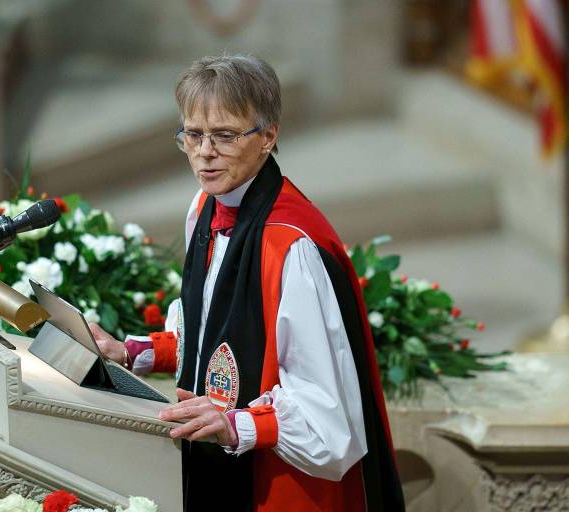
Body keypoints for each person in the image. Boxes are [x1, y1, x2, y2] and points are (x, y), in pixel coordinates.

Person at [89, 54, 404, 512]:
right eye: (193, 134)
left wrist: (236, 425)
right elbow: (213, 337)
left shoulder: (290, 247)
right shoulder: (204, 208)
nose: (204, 152)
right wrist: (133, 352)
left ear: (268, 136)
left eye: (224, 135)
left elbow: (326, 416)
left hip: (280, 486)